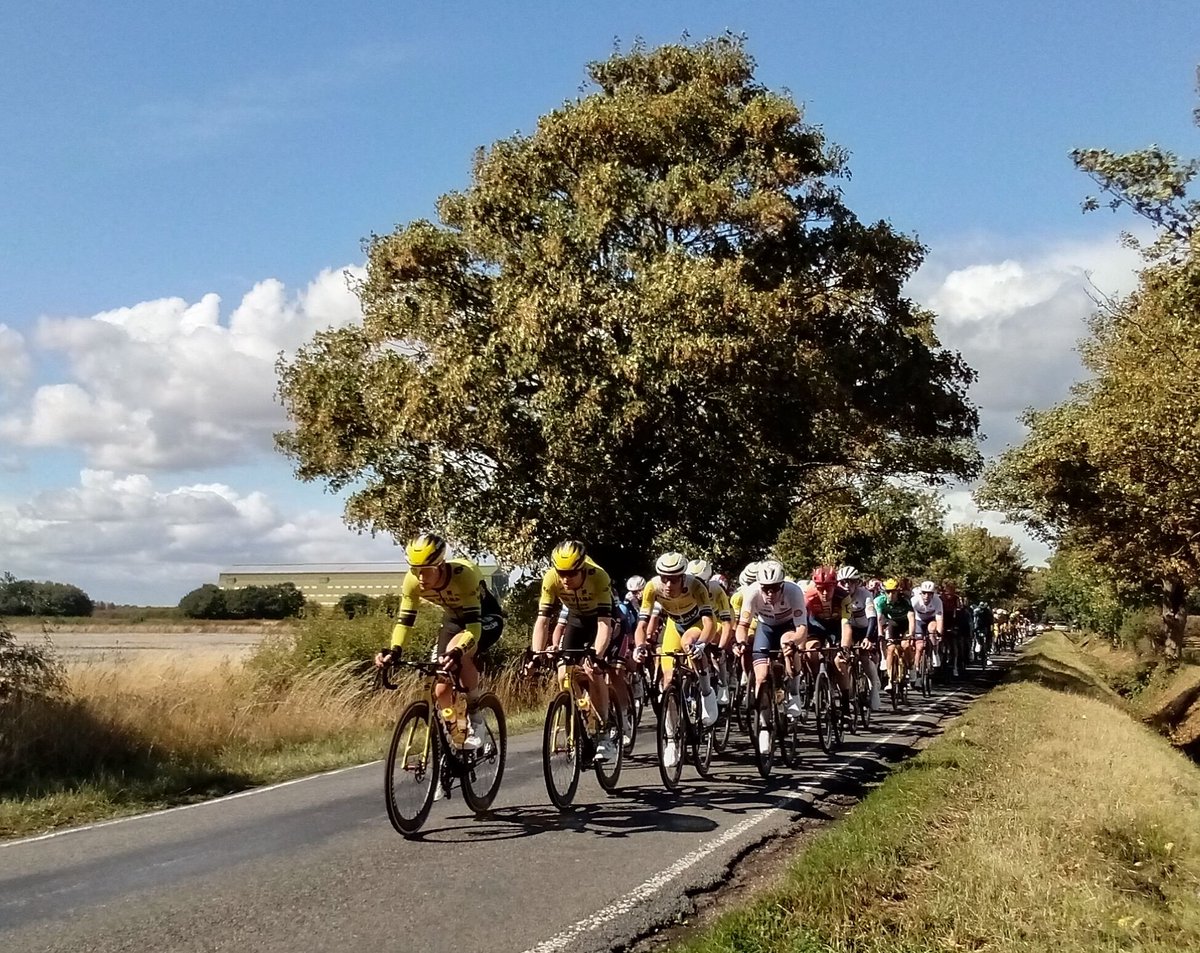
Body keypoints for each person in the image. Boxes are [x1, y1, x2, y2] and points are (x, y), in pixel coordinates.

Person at [375, 533, 501, 751]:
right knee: (441, 690)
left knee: (458, 654)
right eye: (415, 569)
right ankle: (458, 734)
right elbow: (405, 622)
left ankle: (475, 714)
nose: (420, 576)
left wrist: (459, 651)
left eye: (426, 570)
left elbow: (473, 628)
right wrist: (395, 650)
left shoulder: (464, 575)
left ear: (441, 565)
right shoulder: (412, 581)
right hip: (452, 620)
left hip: (484, 619)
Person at [530, 540, 618, 762]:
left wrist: (596, 655)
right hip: (577, 620)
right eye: (561, 573)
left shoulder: (599, 576)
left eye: (571, 573)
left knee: (592, 670)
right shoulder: (551, 579)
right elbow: (542, 620)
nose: (565, 579)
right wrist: (536, 654)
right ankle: (580, 715)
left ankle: (604, 731)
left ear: (582, 568)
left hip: (600, 620)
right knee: (563, 674)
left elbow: (604, 624)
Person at [735, 559, 809, 750]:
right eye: (766, 588)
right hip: (765, 627)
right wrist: (741, 642)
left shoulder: (794, 591)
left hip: (788, 626)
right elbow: (742, 626)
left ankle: (793, 690)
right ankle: (764, 725)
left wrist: (794, 643)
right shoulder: (752, 592)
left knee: (787, 644)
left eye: (775, 588)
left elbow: (802, 628)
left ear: (782, 585)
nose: (770, 593)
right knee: (760, 677)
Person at [805, 565, 853, 715]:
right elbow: (802, 624)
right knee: (810, 652)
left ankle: (845, 705)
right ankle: (816, 684)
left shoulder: (843, 596)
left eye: (828, 588)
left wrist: (844, 647)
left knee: (839, 662)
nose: (824, 593)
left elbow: (846, 625)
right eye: (820, 588)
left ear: (835, 586)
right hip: (816, 625)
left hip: (836, 627)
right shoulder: (808, 596)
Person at [838, 565, 882, 710]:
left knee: (864, 657)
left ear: (857, 582)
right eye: (843, 582)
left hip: (866, 629)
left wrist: (868, 638)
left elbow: (872, 618)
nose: (847, 585)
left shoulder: (865, 595)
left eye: (851, 581)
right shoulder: (837, 595)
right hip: (848, 629)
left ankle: (874, 686)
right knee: (842, 656)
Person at [874, 577, 916, 694]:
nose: (891, 595)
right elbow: (879, 618)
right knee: (891, 648)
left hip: (905, 624)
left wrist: (911, 634)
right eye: (888, 592)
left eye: (894, 592)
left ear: (898, 591)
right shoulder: (880, 601)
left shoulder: (905, 600)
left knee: (905, 645)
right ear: (884, 592)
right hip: (893, 624)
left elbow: (911, 618)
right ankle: (890, 680)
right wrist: (880, 634)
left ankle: (911, 667)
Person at [911, 580, 943, 680]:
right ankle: (915, 669)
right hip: (918, 620)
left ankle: (935, 652)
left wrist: (939, 634)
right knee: (919, 647)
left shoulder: (937, 601)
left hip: (931, 619)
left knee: (932, 630)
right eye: (924, 593)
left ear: (933, 594)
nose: (926, 596)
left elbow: (939, 618)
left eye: (929, 594)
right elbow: (910, 617)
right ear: (920, 593)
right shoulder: (914, 600)